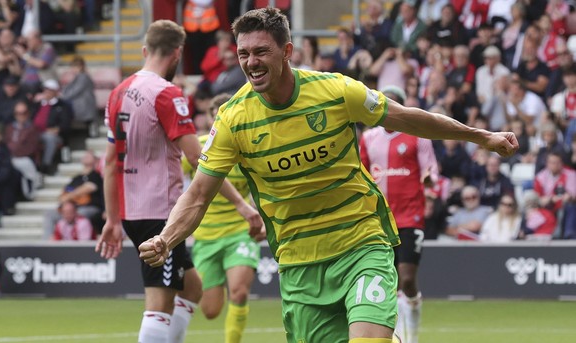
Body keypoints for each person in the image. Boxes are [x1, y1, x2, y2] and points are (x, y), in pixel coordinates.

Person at [138, 8, 518, 343]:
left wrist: (480, 136)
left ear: (286, 51)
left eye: (260, 51)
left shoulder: (335, 91)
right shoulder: (233, 119)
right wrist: (167, 239)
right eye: (243, 53)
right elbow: (199, 194)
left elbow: (406, 117)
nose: (251, 62)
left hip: (360, 244)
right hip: (300, 263)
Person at [94, 20, 262, 343]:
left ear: (145, 51)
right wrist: (242, 205)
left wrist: (113, 220)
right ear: (178, 54)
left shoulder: (117, 93)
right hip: (160, 213)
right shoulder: (167, 94)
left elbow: (109, 163)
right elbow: (203, 161)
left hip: (132, 211)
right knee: (159, 304)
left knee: (193, 288)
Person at [359, 86, 439, 343]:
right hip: (380, 218)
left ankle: (411, 333)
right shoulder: (369, 137)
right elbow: (361, 172)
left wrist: (428, 183)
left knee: (406, 279)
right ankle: (396, 337)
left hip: (410, 216)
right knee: (387, 283)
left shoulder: (417, 136)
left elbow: (430, 169)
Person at [186, 93, 265, 343]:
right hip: (206, 236)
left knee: (239, 292)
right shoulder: (197, 149)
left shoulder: (249, 149)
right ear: (211, 118)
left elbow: (265, 188)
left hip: (239, 232)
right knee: (210, 311)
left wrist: (263, 219)